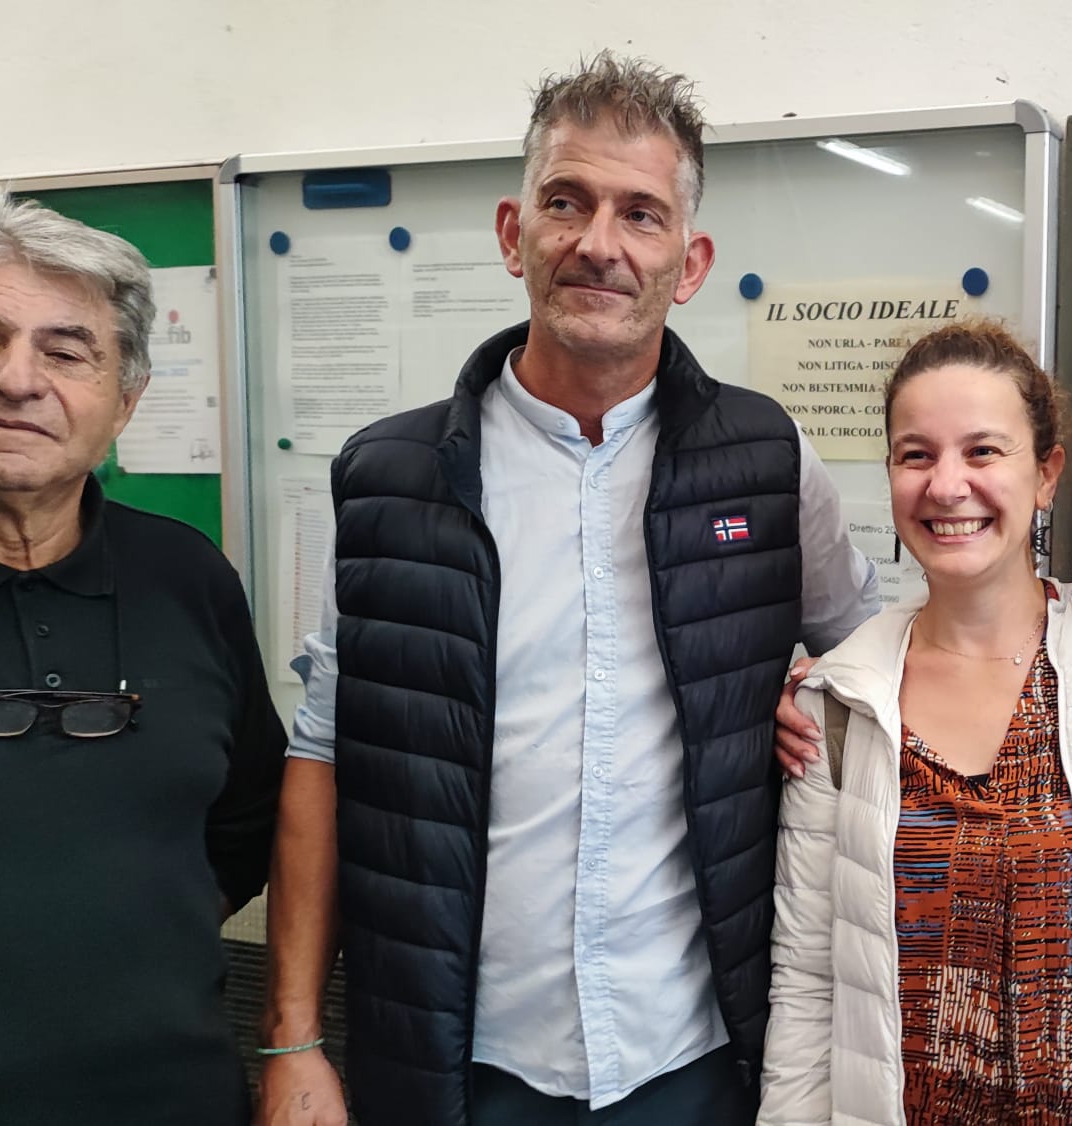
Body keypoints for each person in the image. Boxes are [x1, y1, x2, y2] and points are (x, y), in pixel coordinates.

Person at [255, 53, 877, 1126]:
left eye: (640, 213)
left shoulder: (766, 461)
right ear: (514, 234)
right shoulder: (389, 479)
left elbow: (873, 653)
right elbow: (323, 752)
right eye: (565, 202)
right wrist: (293, 1035)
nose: (598, 242)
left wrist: (818, 689)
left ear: (689, 262)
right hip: (465, 1058)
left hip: (695, 1053)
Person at [759, 322, 1072, 1126]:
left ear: (1047, 474)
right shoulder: (841, 707)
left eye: (983, 451)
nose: (947, 486)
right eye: (916, 455)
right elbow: (806, 981)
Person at [0, 194, 284, 1125]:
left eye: (66, 351)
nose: (17, 379)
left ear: (124, 401)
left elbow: (246, 821)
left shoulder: (187, 575)